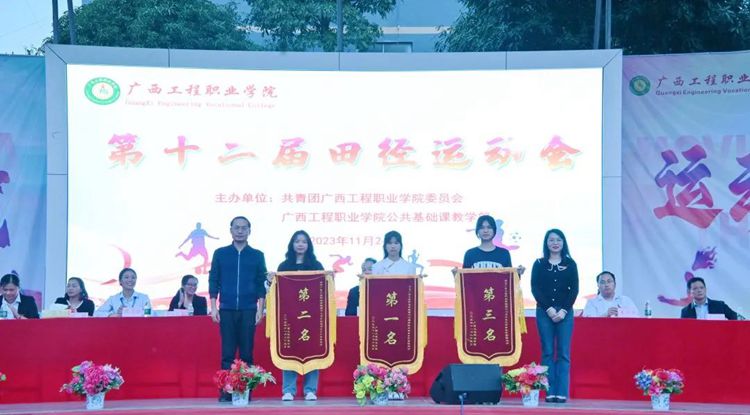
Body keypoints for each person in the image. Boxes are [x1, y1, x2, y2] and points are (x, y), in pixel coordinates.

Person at [209, 216, 267, 402]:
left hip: (249, 309)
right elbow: (214, 280)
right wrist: (214, 307)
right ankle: (226, 391)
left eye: (244, 228)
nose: (240, 231)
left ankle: (245, 391)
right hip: (226, 309)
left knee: (247, 353)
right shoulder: (221, 253)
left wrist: (260, 309)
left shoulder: (257, 255)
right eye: (237, 227)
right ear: (231, 230)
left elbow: (261, 283)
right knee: (227, 353)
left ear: (249, 231)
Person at [271, 230, 325, 401]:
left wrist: (329, 278)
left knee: (312, 351)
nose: (300, 244)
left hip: (312, 317)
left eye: (304, 241)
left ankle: (310, 390)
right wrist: (271, 280)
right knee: (289, 350)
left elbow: (323, 291)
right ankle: (288, 390)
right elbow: (277, 292)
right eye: (297, 241)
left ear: (308, 245)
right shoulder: (284, 266)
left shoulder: (316, 265)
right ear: (292, 244)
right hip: (290, 317)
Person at [531, 229, 578, 404]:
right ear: (546, 243)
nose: (555, 243)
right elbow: (535, 288)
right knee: (548, 352)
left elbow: (574, 289)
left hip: (565, 312)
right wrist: (549, 309)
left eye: (558, 240)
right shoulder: (539, 263)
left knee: (564, 353)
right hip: (545, 312)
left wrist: (564, 310)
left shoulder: (570, 264)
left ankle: (562, 392)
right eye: (551, 240)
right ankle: (549, 391)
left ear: (563, 242)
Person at [461, 214, 525, 275]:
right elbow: (464, 279)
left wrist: (518, 273)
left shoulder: (504, 253)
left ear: (494, 230)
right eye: (482, 227)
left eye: (489, 227)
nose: (485, 231)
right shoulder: (470, 254)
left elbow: (509, 279)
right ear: (477, 231)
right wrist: (456, 274)